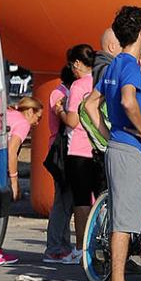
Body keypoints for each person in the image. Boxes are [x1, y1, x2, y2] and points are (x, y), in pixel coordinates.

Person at [89, 5, 141, 281]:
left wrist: (108, 133)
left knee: (121, 219)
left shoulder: (114, 64)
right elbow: (129, 100)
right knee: (125, 223)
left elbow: (90, 106)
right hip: (129, 148)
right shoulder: (129, 64)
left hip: (116, 145)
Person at [59, 45, 101, 264]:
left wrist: (60, 111)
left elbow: (73, 121)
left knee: (82, 201)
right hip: (101, 147)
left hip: (79, 150)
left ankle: (81, 248)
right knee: (102, 199)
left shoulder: (77, 86)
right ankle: (101, 246)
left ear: (76, 63)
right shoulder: (101, 81)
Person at [0, 97, 44, 266]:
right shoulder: (23, 123)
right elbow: (12, 152)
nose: (37, 123)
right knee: (2, 210)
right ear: (30, 111)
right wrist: (15, 181)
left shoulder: (10, 113)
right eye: (38, 118)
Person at [42, 60, 78, 264]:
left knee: (67, 201)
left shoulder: (61, 92)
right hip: (61, 152)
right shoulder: (60, 94)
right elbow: (65, 119)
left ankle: (62, 245)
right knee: (62, 202)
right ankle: (55, 247)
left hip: (65, 150)